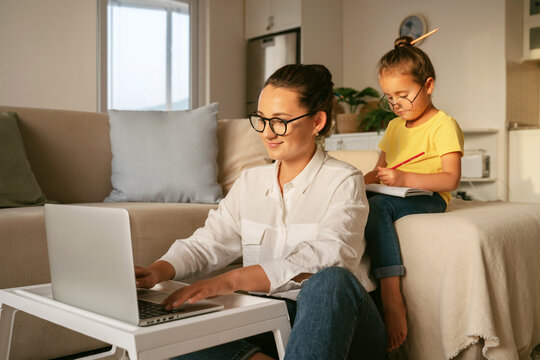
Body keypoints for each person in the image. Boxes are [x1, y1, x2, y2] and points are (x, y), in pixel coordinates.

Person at [135, 64, 386, 360]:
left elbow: (332, 255)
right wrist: (156, 271)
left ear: (318, 121)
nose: (267, 133)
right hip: (269, 322)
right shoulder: (250, 181)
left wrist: (231, 280)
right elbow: (208, 242)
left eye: (279, 121)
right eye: (262, 119)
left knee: (330, 281)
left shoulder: (344, 180)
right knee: (171, 337)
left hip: (341, 324)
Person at [363, 36, 464, 351]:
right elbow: (379, 170)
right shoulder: (394, 128)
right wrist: (354, 182)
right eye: (390, 98)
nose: (396, 105)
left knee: (378, 208)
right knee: (361, 201)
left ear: (429, 85)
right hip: (394, 192)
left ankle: (391, 295)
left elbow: (450, 180)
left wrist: (403, 177)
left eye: (403, 95)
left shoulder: (442, 125)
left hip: (428, 196)